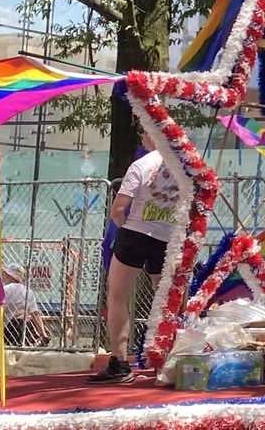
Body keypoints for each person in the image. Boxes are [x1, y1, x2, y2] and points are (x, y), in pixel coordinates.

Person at [90, 132, 185, 383]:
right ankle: (168, 360)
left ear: (148, 135)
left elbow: (118, 209)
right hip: (168, 238)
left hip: (136, 232)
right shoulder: (183, 166)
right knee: (166, 300)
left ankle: (120, 362)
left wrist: (123, 227)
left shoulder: (141, 165)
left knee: (118, 296)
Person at [0, 266, 47, 347]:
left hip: (6, 325)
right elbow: (35, 313)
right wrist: (42, 333)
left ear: (9, 276)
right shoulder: (28, 291)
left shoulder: (5, 289)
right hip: (23, 326)